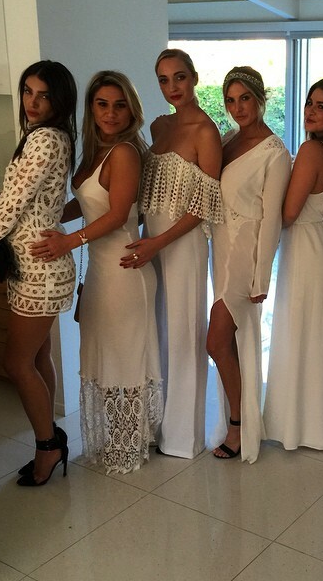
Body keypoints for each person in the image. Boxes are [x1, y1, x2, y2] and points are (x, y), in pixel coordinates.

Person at [32, 71, 164, 473]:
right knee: (104, 356)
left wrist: (68, 241)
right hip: (102, 272)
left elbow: (118, 214)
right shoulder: (97, 150)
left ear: (131, 111)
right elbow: (90, 203)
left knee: (124, 359)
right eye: (102, 104)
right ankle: (117, 438)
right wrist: (49, 215)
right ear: (91, 108)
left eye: (120, 105)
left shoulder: (124, 152)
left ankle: (128, 444)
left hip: (124, 269)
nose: (110, 113)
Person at [0, 60, 77, 486]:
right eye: (28, 92)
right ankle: (50, 436)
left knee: (16, 362)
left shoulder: (45, 139)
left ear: (59, 100)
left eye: (44, 95)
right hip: (34, 264)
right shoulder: (49, 135)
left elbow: (12, 201)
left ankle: (48, 446)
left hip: (39, 268)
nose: (33, 102)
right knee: (36, 357)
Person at [121, 49, 223, 459]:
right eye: (163, 80)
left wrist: (157, 242)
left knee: (184, 332)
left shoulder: (206, 131)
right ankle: (154, 424)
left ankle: (183, 437)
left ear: (194, 77)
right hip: (151, 242)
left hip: (182, 245)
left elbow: (205, 206)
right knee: (156, 330)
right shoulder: (160, 125)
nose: (172, 87)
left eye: (179, 77)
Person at [263, 78, 323, 451]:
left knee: (302, 332)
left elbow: (288, 214)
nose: (310, 111)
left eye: (322, 106)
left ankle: (297, 426)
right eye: (310, 103)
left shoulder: (311, 150)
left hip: (306, 249)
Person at [207, 66, 291, 463]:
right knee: (228, 343)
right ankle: (239, 419)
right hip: (220, 246)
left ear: (260, 99)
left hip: (245, 251)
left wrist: (262, 277)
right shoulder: (228, 139)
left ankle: (239, 426)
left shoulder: (276, 153)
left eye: (245, 98)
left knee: (215, 341)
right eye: (231, 100)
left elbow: (272, 218)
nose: (238, 107)